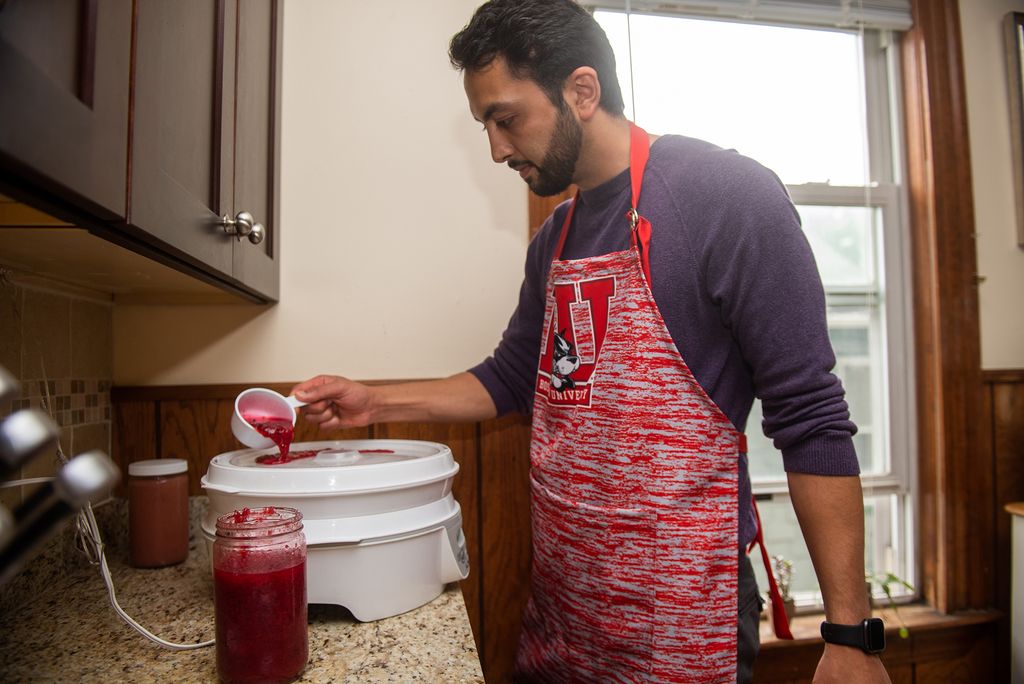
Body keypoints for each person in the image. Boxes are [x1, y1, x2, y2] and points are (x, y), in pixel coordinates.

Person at [293, 1, 892, 682]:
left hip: (682, 623)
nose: (495, 148)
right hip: (563, 618)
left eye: (505, 118)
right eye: (485, 124)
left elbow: (810, 415)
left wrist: (850, 636)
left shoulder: (725, 199)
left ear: (582, 90)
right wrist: (374, 401)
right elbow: (513, 378)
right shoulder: (556, 239)